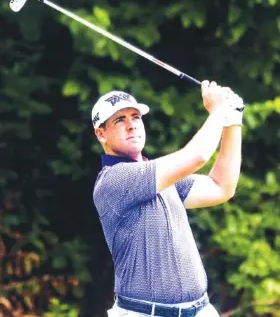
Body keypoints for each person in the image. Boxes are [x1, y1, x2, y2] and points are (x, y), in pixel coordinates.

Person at [92, 80, 244, 317]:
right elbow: (198, 156)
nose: (131, 125)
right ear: (101, 134)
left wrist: (232, 121)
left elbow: (222, 187)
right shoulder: (114, 180)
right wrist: (218, 110)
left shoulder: (161, 176)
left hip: (200, 310)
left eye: (135, 117)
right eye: (119, 120)